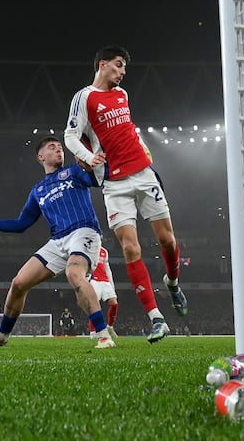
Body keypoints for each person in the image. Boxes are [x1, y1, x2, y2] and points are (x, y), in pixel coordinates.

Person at [64, 45, 186, 344]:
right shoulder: (85, 97)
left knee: (168, 240)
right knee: (131, 249)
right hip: (115, 184)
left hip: (144, 173)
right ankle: (156, 319)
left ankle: (171, 281)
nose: (122, 72)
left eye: (124, 68)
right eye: (118, 65)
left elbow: (126, 130)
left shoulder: (123, 95)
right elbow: (70, 135)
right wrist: (87, 155)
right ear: (102, 64)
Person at [0, 136, 115, 349]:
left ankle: (103, 335)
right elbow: (21, 224)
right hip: (57, 241)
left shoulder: (74, 171)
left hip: (84, 232)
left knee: (74, 274)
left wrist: (93, 165)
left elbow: (100, 178)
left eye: (60, 147)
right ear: (41, 156)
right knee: (18, 283)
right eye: (52, 147)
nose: (59, 150)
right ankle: (2, 336)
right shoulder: (38, 191)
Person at [87, 247, 119, 340]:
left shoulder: (104, 251)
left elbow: (107, 269)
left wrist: (111, 285)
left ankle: (110, 327)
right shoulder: (88, 249)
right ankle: (93, 331)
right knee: (94, 305)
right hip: (94, 280)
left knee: (114, 304)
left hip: (105, 281)